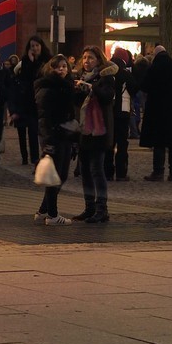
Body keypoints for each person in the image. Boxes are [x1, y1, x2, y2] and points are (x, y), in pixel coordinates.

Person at [72, 48, 117, 223]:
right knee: (85, 171)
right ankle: (89, 207)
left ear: (98, 60)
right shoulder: (81, 77)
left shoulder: (106, 77)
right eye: (84, 58)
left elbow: (108, 97)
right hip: (84, 130)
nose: (86, 61)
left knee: (97, 170)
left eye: (90, 58)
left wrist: (93, 88)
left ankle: (102, 209)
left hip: (99, 129)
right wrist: (78, 90)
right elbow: (75, 103)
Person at [33, 54, 78, 225]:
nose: (62, 69)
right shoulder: (48, 88)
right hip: (54, 136)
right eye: (58, 66)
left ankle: (43, 210)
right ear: (50, 69)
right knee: (57, 176)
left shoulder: (67, 86)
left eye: (64, 66)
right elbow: (45, 118)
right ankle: (52, 214)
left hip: (64, 135)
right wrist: (48, 143)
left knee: (59, 175)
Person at [139, 46, 172, 181]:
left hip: (157, 111)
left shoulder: (153, 68)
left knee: (159, 143)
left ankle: (158, 172)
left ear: (155, 55)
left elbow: (144, 86)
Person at [13, 37, 48, 166]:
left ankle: (45, 155)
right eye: (32, 46)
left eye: (37, 45)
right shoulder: (25, 62)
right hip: (29, 100)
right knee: (32, 130)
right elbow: (26, 79)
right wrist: (31, 61)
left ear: (41, 46)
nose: (34, 48)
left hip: (43, 100)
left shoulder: (47, 60)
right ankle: (34, 158)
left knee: (42, 131)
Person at [104, 49, 134, 182]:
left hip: (108, 111)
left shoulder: (107, 70)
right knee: (122, 143)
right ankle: (121, 173)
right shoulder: (125, 73)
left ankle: (108, 172)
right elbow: (134, 88)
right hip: (123, 111)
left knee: (109, 142)